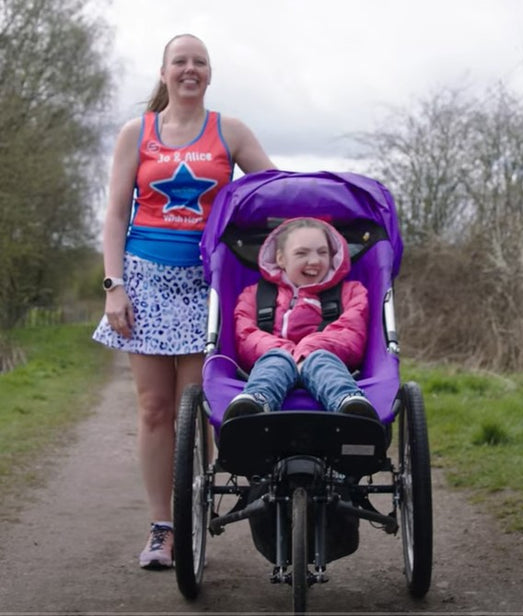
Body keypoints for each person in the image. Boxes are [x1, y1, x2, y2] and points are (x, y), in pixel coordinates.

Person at [92, 33, 275, 570]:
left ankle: (193, 507)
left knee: (198, 410)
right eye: (181, 62)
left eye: (199, 62)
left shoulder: (231, 131)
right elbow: (113, 215)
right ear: (165, 72)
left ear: (209, 74)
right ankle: (162, 528)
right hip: (144, 280)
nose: (190, 69)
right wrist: (113, 285)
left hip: (209, 284)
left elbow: (272, 190)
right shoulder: (137, 133)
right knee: (154, 409)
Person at [224, 217, 380, 421]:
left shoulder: (352, 292)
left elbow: (350, 335)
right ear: (281, 259)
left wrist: (307, 351)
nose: (315, 261)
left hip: (329, 361)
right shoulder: (254, 295)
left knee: (319, 359)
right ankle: (256, 403)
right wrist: (289, 354)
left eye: (322, 252)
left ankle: (349, 405)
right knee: (276, 361)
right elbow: (245, 336)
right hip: (271, 359)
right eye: (302, 253)